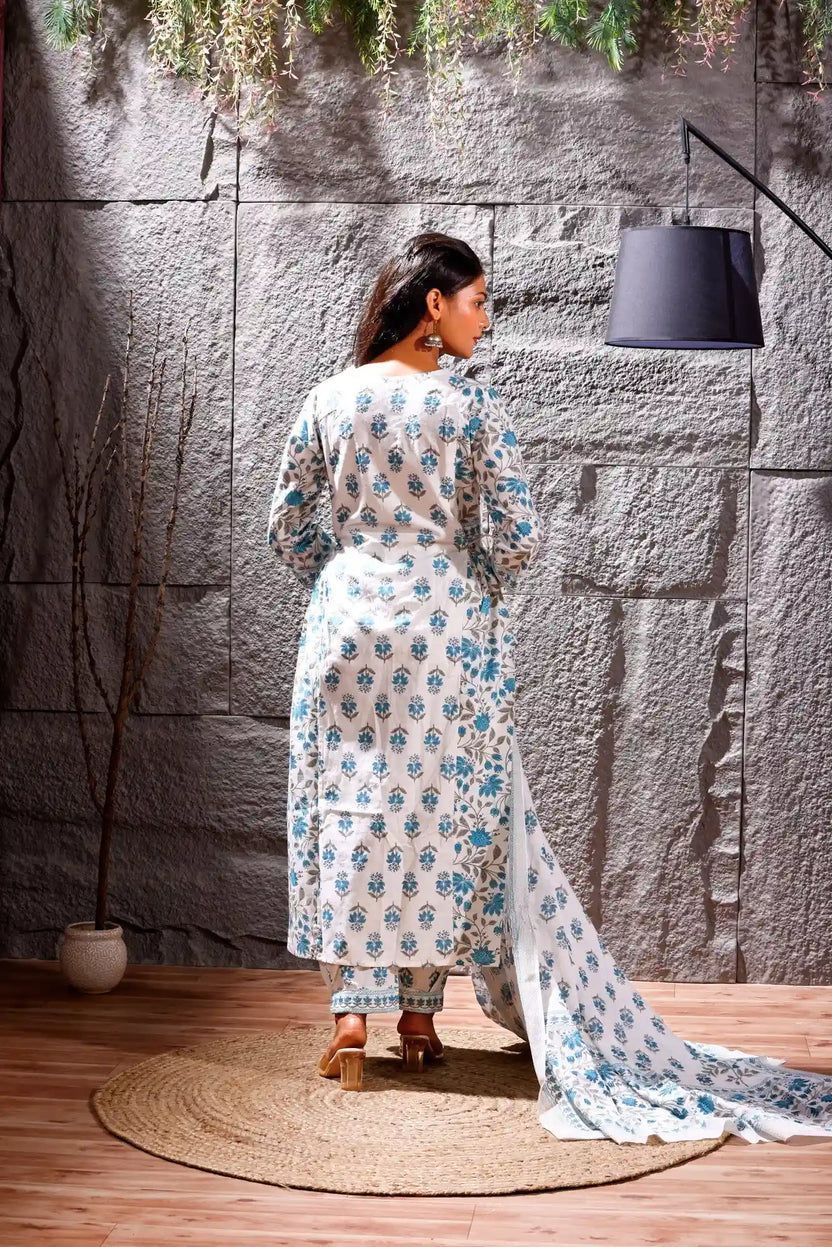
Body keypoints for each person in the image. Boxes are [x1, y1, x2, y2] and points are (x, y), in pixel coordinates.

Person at [266, 232, 832, 1143]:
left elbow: (288, 527)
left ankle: (350, 1017)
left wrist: (349, 578)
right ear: (433, 306)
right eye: (478, 301)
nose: (486, 319)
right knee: (438, 811)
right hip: (444, 631)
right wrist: (464, 577)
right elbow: (518, 536)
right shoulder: (468, 405)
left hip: (346, 631)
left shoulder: (327, 399)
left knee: (351, 805)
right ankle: (419, 1020)